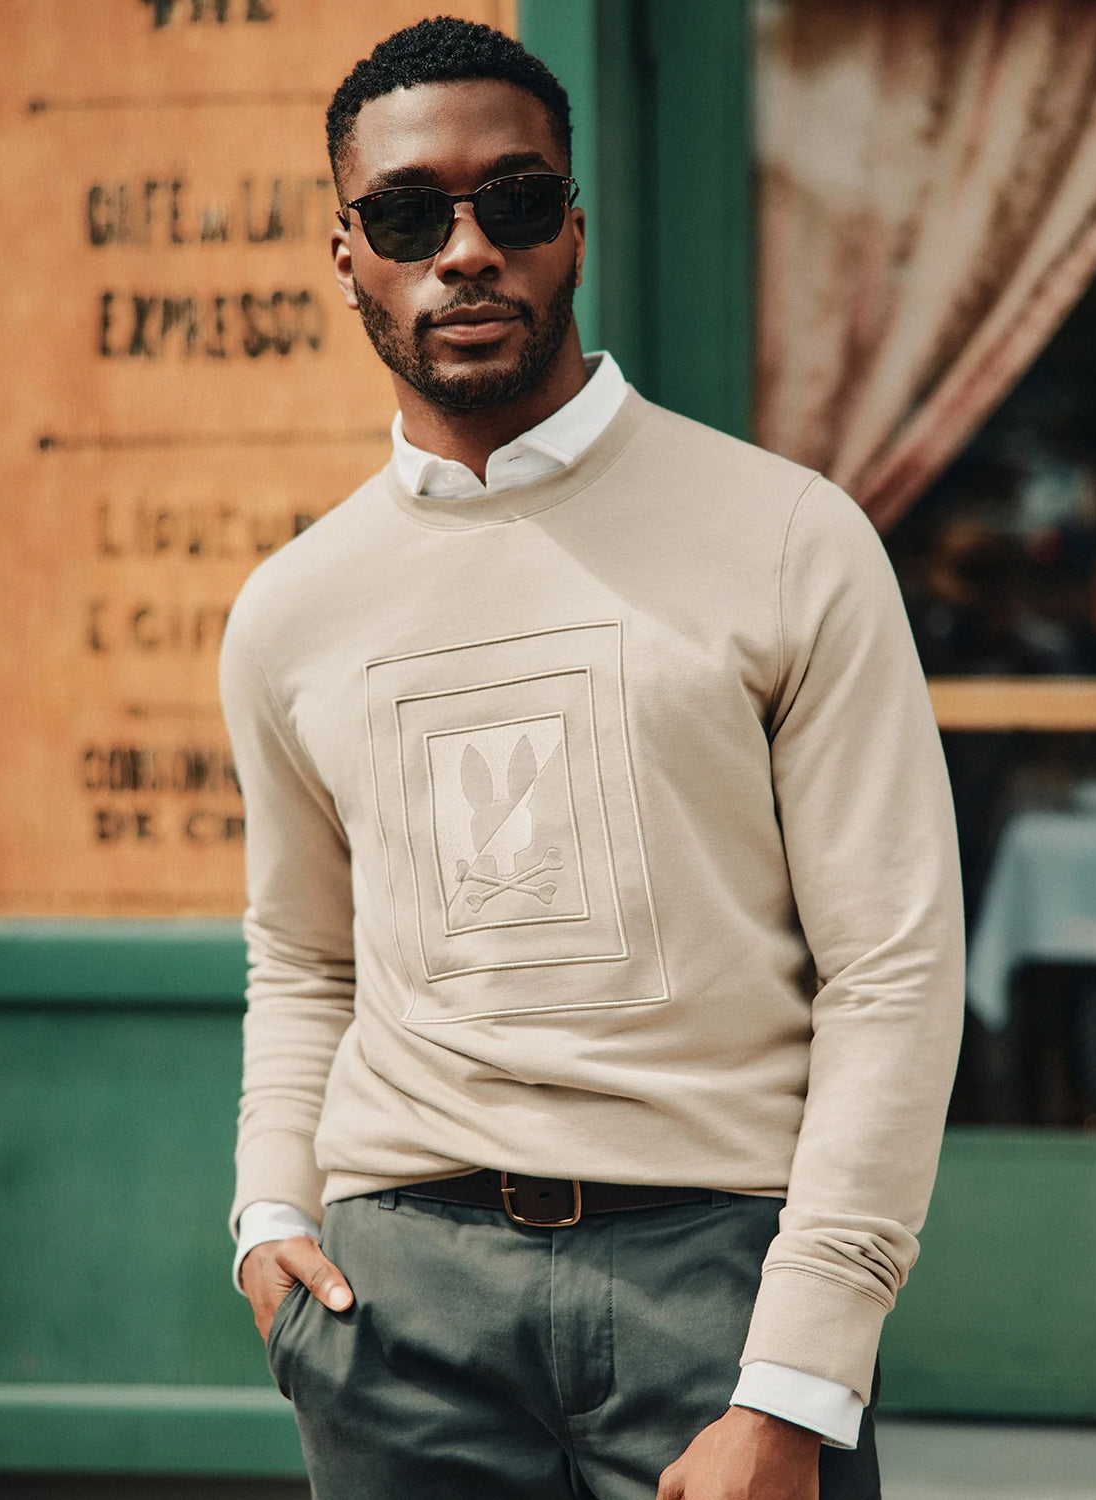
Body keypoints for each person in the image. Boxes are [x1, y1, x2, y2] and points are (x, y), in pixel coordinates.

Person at [221, 18, 964, 1500]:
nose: (466, 250)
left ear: (572, 223)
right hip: (394, 1307)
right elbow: (303, 959)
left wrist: (806, 1367)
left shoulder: (788, 537)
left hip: (717, 1284)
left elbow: (891, 965)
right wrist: (267, 1216)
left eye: (512, 201)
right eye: (410, 215)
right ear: (348, 252)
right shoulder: (292, 610)